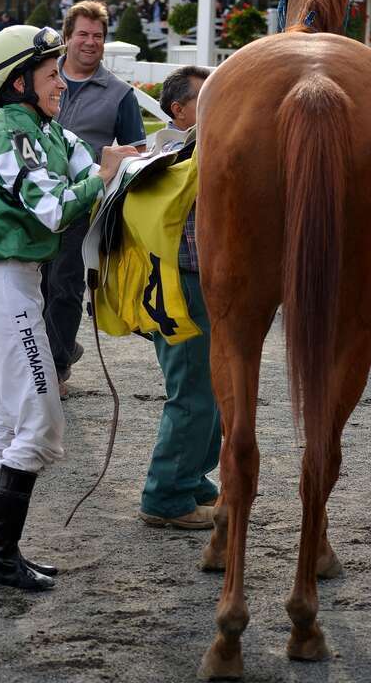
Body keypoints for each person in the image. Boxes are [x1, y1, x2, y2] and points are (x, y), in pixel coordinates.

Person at [0, 24, 138, 591]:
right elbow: (53, 209)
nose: (61, 81)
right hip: (3, 285)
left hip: (17, 285)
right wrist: (105, 172)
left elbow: (93, 172)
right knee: (38, 421)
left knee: (10, 421)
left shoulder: (44, 130)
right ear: (19, 81)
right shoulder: (6, 133)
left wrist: (115, 168)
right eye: (49, 73)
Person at [41, 0, 146, 397]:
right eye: (82, 34)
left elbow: (137, 152)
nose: (90, 42)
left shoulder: (120, 94)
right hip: (35, 200)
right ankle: (60, 346)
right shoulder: (43, 80)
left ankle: (56, 370)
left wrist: (114, 167)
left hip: (84, 204)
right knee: (33, 284)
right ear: (66, 37)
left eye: (98, 36)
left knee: (65, 285)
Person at [138, 65, 222, 530]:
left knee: (206, 388)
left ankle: (191, 479)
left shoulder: (171, 146)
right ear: (180, 110)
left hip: (191, 280)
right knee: (192, 391)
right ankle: (166, 496)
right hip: (183, 282)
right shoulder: (178, 149)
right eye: (206, 99)